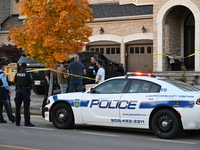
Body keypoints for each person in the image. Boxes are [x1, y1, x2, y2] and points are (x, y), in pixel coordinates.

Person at [14, 62, 34, 127]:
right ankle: (27, 122)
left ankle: (17, 122)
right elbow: (31, 82)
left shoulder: (17, 74)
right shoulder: (27, 74)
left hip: (18, 91)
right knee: (26, 107)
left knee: (17, 107)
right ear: (26, 67)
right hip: (25, 91)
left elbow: (15, 82)